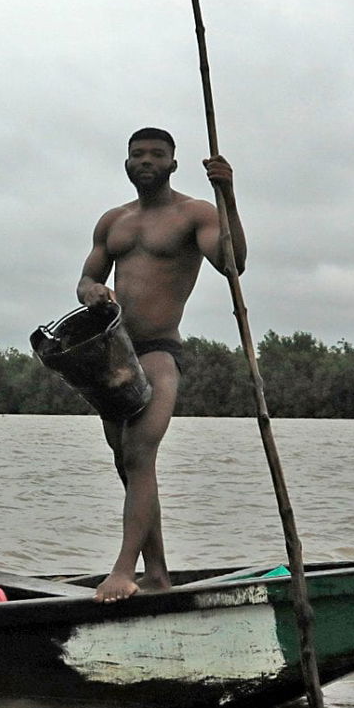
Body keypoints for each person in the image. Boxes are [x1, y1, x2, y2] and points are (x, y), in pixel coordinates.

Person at [76, 127, 243, 602]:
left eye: (156, 155)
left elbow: (233, 264)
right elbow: (89, 276)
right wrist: (90, 290)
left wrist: (227, 195)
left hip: (159, 352)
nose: (146, 161)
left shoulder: (195, 213)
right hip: (114, 353)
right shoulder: (114, 221)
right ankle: (158, 574)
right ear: (126, 163)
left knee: (139, 453)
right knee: (127, 466)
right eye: (137, 154)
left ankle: (123, 569)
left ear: (172, 163)